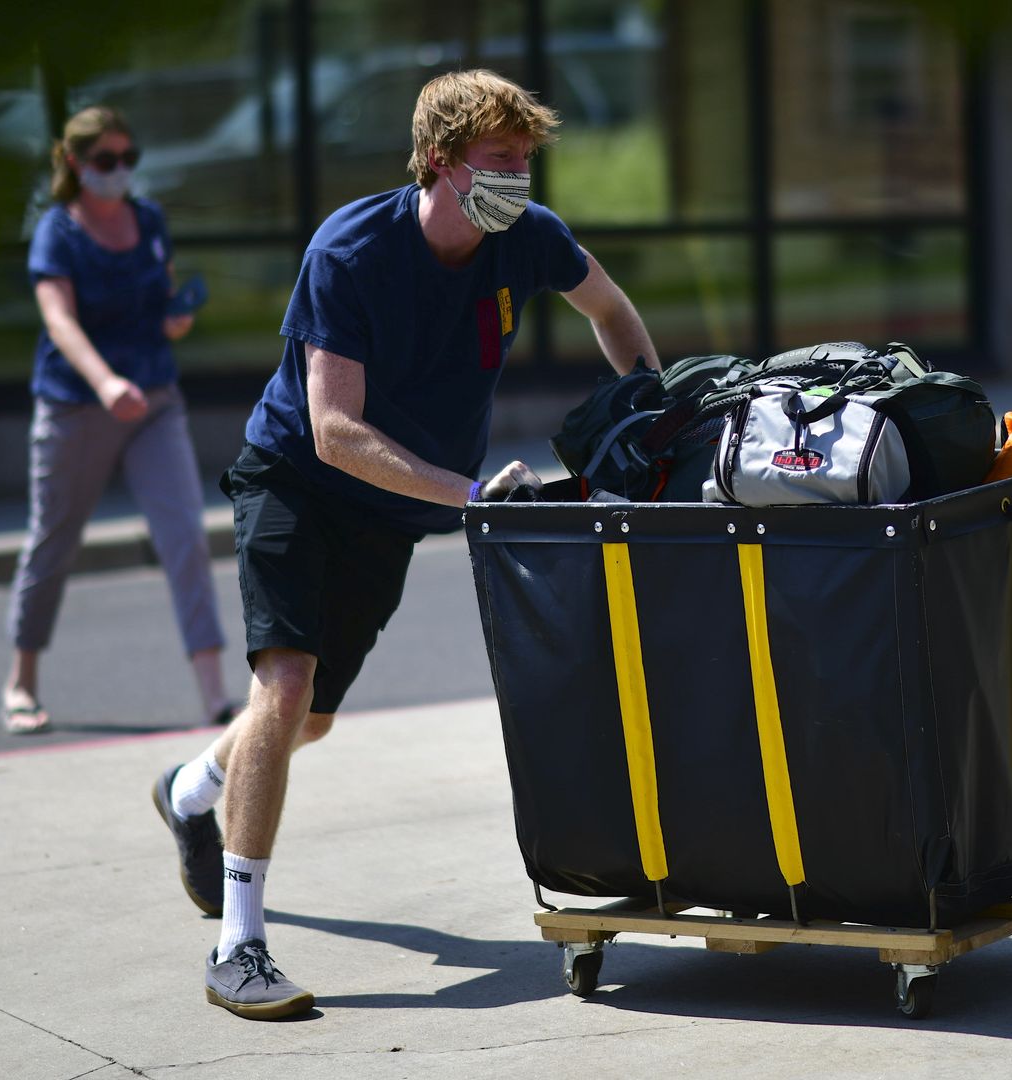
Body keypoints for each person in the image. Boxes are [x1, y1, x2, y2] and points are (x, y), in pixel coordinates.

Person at [149, 69, 660, 1020]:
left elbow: (611, 310)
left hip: (389, 512)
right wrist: (471, 495)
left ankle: (188, 790)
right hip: (296, 480)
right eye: (500, 158)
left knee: (308, 720)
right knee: (285, 685)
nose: (518, 176)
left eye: (526, 158)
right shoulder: (350, 249)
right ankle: (239, 947)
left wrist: (651, 412)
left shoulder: (528, 237)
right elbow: (335, 431)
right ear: (439, 159)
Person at [2, 106, 236, 735]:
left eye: (129, 158)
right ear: (74, 163)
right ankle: (21, 682)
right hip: (77, 406)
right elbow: (59, 321)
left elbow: (159, 300)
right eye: (105, 160)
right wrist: (104, 383)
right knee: (54, 539)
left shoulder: (149, 218)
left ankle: (215, 696)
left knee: (185, 537)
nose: (119, 170)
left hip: (154, 400)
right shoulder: (58, 231)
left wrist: (175, 319)